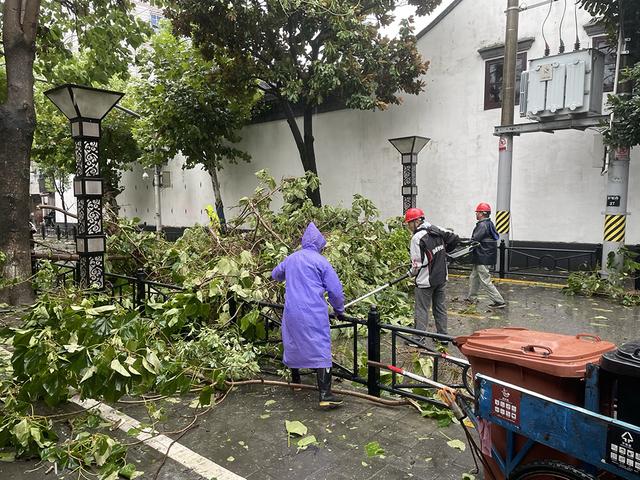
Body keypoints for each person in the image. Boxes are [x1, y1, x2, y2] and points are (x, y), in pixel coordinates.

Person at [271, 222, 345, 408]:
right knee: (320, 346)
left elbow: (275, 274)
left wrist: (287, 276)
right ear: (320, 244)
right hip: (313, 312)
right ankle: (325, 395)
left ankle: (296, 383)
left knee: (293, 343)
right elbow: (335, 291)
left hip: (292, 311)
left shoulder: (291, 258)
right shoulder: (321, 262)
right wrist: (339, 310)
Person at [405, 208, 459, 344]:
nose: (409, 227)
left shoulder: (417, 238)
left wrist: (410, 273)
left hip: (425, 280)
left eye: (409, 223)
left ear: (416, 221)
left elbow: (416, 265)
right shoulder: (436, 229)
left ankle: (418, 339)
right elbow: (454, 237)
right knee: (440, 308)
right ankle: (443, 337)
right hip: (441, 277)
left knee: (421, 309)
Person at [467, 202, 506, 308]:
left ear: (482, 213)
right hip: (484, 256)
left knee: (485, 279)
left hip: (482, 256)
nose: (476, 214)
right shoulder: (489, 223)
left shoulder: (482, 225)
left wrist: (465, 243)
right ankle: (471, 298)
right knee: (474, 277)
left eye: (477, 212)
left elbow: (475, 239)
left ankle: (499, 301)